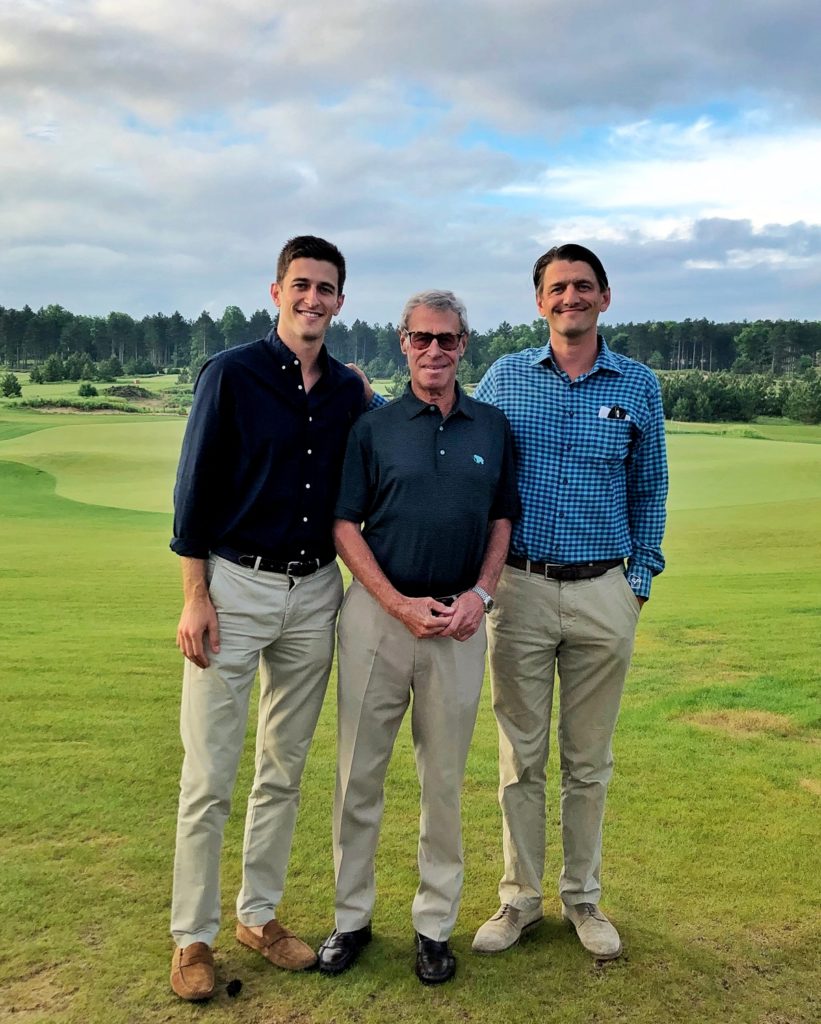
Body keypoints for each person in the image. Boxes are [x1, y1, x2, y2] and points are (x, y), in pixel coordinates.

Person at [168, 235, 372, 1001]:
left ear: (340, 301)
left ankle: (258, 915)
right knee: (209, 775)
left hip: (316, 591)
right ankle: (192, 936)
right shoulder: (231, 374)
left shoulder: (349, 391)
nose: (312, 298)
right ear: (276, 290)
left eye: (326, 288)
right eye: (300, 285)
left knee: (282, 769)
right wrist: (195, 595)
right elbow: (193, 492)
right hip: (234, 589)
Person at [471, 244, 668, 960]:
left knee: (588, 761)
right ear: (538, 301)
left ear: (604, 298)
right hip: (518, 589)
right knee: (519, 760)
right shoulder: (505, 378)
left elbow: (650, 486)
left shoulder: (638, 385)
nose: (569, 298)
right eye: (556, 288)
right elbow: (464, 455)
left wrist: (636, 582)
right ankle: (519, 899)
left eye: (582, 286)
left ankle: (582, 899)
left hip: (601, 591)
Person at [316, 290, 519, 985]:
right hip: (379, 619)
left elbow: (500, 520)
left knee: (442, 783)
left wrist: (481, 594)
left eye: (448, 339)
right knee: (357, 777)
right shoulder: (373, 428)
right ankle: (351, 919)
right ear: (402, 343)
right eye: (421, 338)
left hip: (459, 623)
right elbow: (344, 524)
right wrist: (395, 603)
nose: (435, 350)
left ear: (465, 346)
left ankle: (434, 926)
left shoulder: (490, 426)